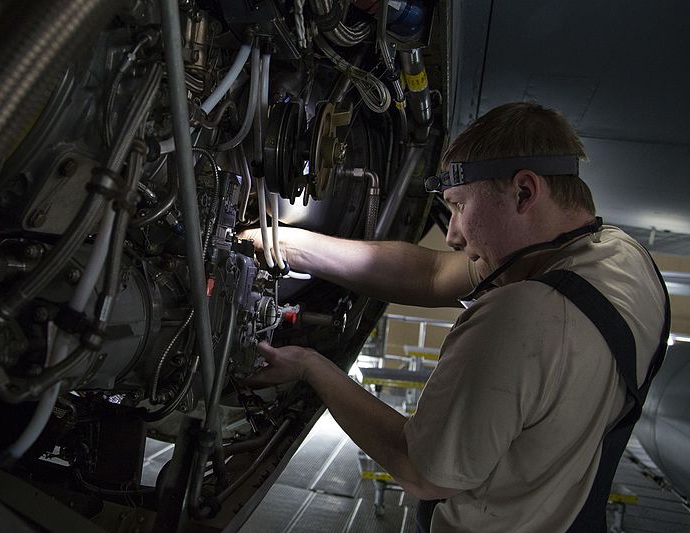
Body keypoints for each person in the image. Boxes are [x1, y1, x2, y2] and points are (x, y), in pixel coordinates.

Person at [243, 102, 670, 532]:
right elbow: (431, 275)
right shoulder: (623, 258)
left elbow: (418, 469)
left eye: (459, 206)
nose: (452, 234)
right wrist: (290, 244)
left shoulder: (524, 315)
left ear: (524, 192)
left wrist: (310, 366)